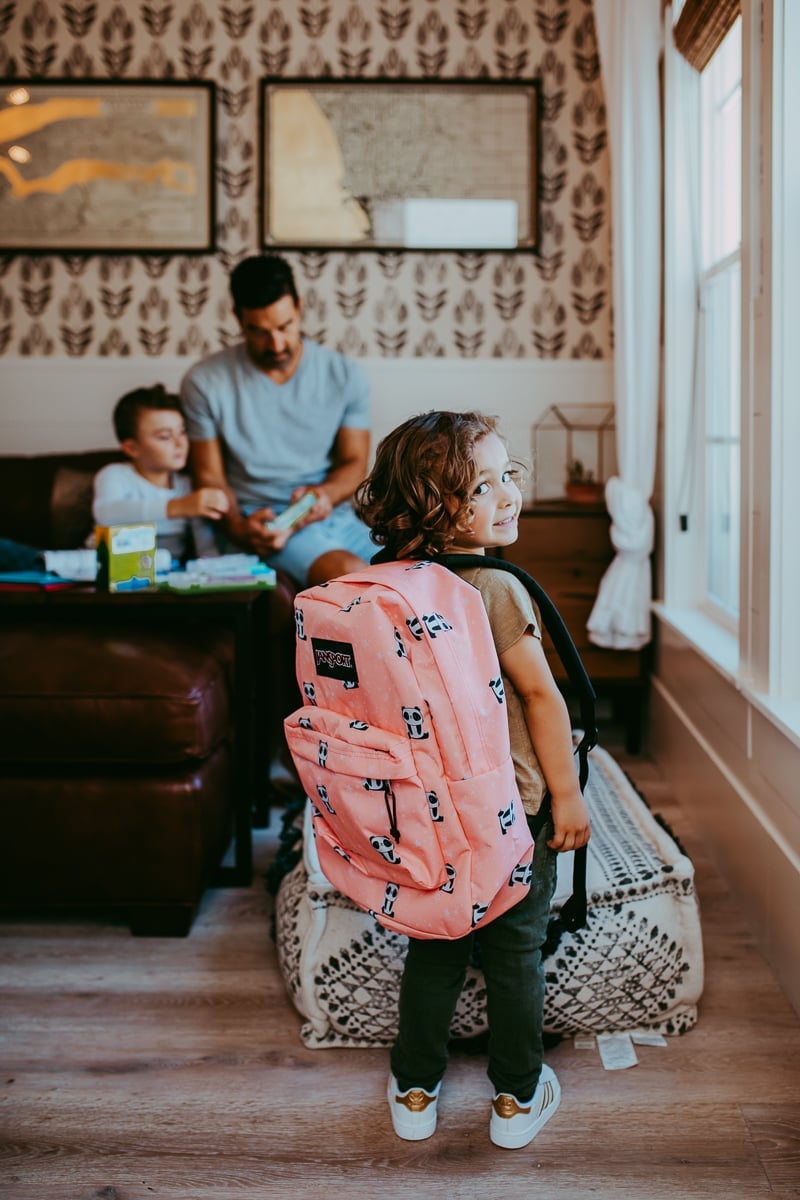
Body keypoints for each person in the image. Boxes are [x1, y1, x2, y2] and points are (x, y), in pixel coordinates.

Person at [355, 411, 592, 1150]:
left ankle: (416, 1089)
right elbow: (542, 699)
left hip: (425, 814)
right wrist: (569, 794)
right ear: (431, 504)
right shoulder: (493, 588)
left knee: (437, 947)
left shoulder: (382, 587)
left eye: (507, 473)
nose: (509, 494)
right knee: (516, 953)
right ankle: (517, 1100)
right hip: (508, 813)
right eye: (483, 486)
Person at [180, 253, 375, 587]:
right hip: (264, 522)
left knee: (422, 572)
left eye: (284, 326)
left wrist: (324, 495)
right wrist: (239, 528)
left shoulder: (345, 375)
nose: (276, 344)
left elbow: (355, 462)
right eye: (258, 331)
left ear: (299, 307)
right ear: (237, 319)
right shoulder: (204, 382)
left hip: (335, 517)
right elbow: (209, 475)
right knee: (350, 575)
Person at [93, 384, 229, 562]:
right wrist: (178, 507)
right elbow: (106, 514)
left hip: (166, 575)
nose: (180, 443)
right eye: (165, 437)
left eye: (182, 432)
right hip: (111, 568)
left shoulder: (187, 486)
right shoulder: (114, 475)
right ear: (132, 448)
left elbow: (206, 548)